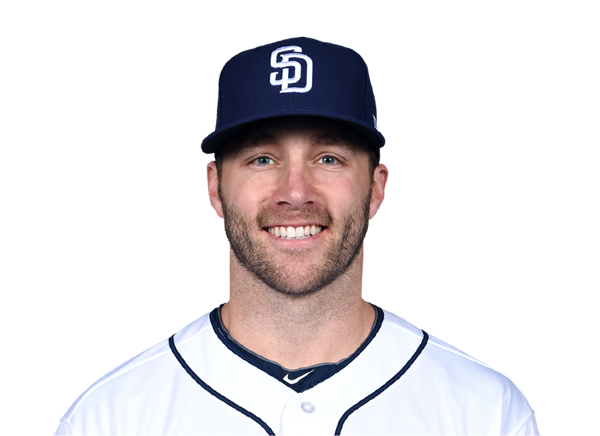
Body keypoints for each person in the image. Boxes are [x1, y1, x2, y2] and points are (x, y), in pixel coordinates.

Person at [57, 38, 537, 436]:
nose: (294, 192)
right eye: (261, 159)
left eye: (329, 158)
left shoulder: (484, 413)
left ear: (376, 189)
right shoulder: (112, 418)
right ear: (213, 187)